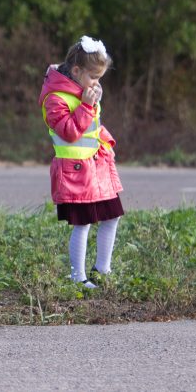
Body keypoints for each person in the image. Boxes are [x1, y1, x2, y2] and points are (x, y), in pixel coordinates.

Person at [38, 36, 123, 289]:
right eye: (94, 78)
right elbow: (70, 131)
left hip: (98, 168)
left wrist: (107, 141)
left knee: (111, 217)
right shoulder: (55, 98)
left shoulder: (84, 91)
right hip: (76, 174)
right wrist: (87, 104)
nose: (97, 84)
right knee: (83, 224)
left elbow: (93, 127)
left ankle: (102, 269)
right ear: (76, 71)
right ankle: (78, 278)